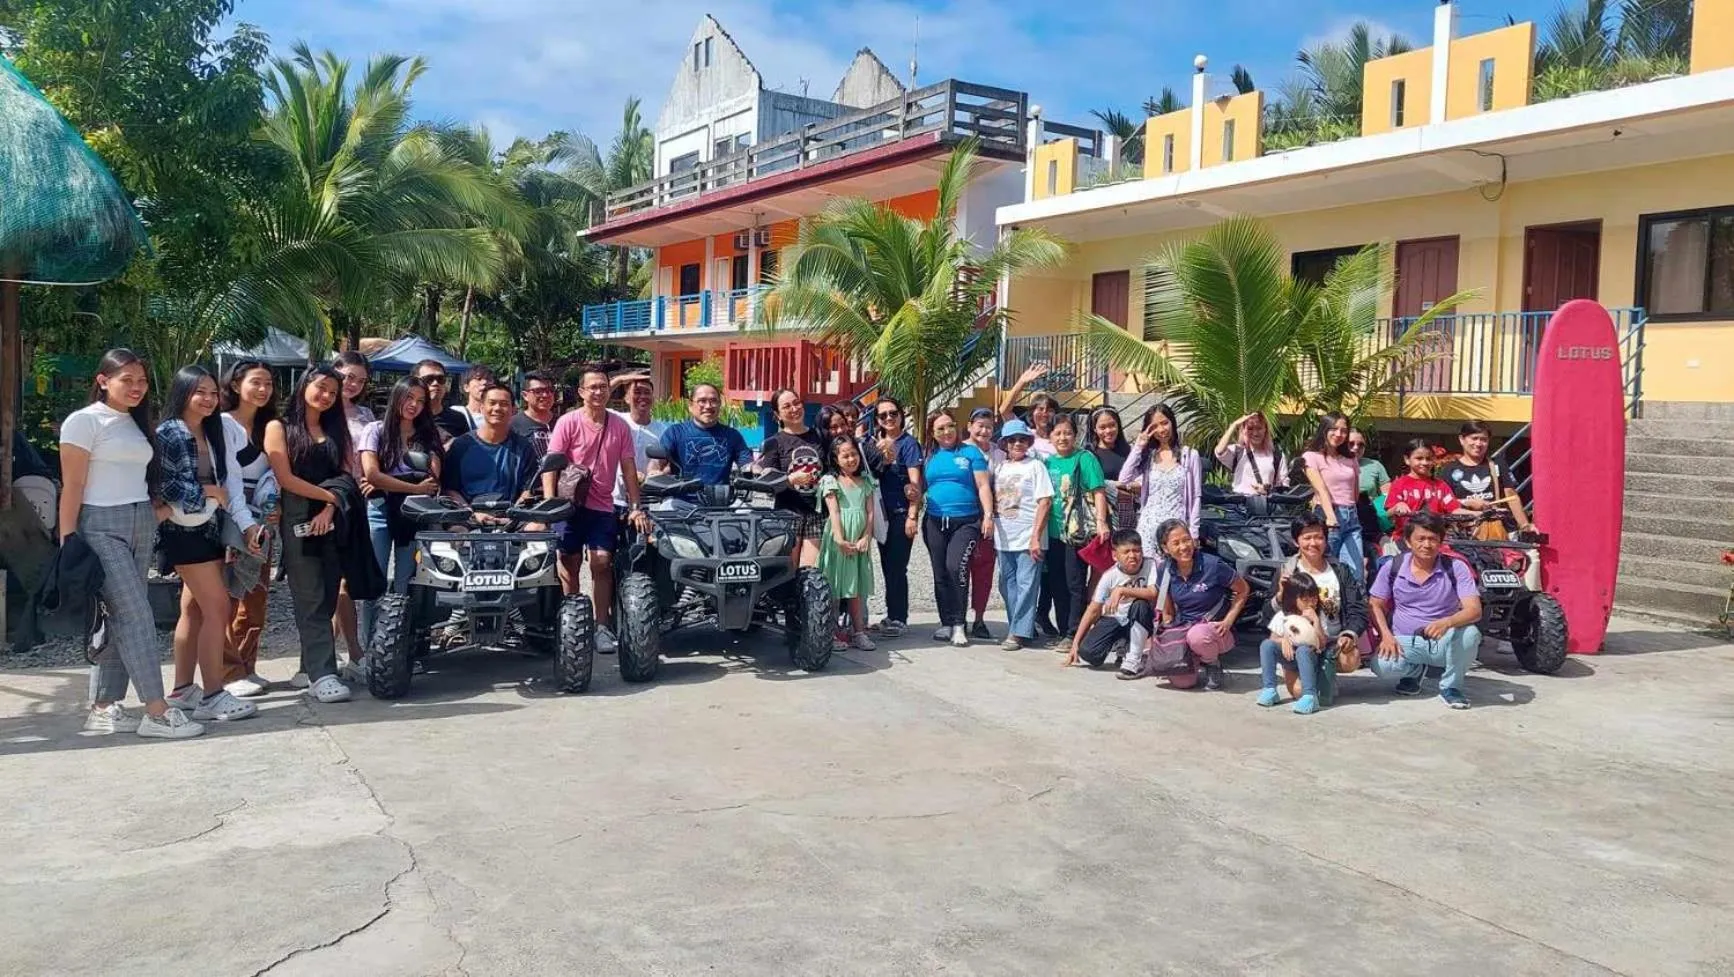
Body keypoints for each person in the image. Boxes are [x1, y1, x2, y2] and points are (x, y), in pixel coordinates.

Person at [61, 349, 205, 739]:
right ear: (103, 380)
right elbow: (72, 485)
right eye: (127, 379)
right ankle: (157, 713)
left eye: (141, 380)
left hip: (140, 520)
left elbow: (143, 479)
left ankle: (104, 706)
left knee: (122, 616)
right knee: (137, 613)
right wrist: (68, 539)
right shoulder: (83, 421)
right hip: (99, 523)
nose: (137, 387)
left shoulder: (137, 423)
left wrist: (154, 514)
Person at [156, 365, 261, 724]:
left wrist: (242, 523)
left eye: (213, 393)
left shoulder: (215, 430)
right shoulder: (170, 432)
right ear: (183, 392)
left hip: (210, 527)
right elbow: (166, 486)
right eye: (200, 391)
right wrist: (207, 492)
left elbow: (230, 483)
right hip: (182, 530)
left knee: (196, 608)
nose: (208, 399)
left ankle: (184, 689)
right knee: (218, 607)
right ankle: (213, 694)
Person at [265, 366, 359, 703]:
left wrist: (331, 507)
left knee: (329, 594)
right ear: (304, 385)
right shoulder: (280, 428)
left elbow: (344, 477)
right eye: (321, 387)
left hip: (332, 522)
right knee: (310, 597)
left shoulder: (335, 429)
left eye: (333, 392)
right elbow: (285, 479)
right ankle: (323, 675)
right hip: (297, 520)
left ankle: (308, 666)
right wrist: (329, 498)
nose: (326, 396)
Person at [544, 368, 648, 652]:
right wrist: (551, 505)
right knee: (569, 561)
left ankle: (601, 625)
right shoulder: (568, 421)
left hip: (603, 505)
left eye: (603, 386)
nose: (599, 392)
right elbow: (551, 464)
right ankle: (571, 624)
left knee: (602, 562)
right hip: (569, 505)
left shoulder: (619, 426)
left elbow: (628, 468)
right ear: (581, 392)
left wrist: (636, 506)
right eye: (593, 387)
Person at [1367, 511, 1484, 710]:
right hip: (1404, 641)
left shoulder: (1456, 567)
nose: (1427, 545)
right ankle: (1414, 672)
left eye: (1433, 539)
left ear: (1441, 541)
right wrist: (1385, 635)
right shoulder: (1393, 566)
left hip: (1443, 641)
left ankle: (1451, 687)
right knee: (1381, 666)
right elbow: (1374, 604)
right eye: (1420, 539)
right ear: (1408, 541)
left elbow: (1474, 610)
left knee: (1471, 634)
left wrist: (1447, 622)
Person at [1121, 519, 1249, 689]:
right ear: (1166, 548)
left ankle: (1213, 664)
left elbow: (1243, 589)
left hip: (1215, 631)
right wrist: (1167, 645)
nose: (1183, 547)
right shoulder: (1164, 570)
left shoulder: (1213, 565)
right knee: (1182, 682)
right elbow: (1167, 613)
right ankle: (1195, 662)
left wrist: (1228, 620)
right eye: (1176, 543)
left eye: (1186, 539)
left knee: (1197, 637)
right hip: (1184, 628)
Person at [358, 377, 444, 624]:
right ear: (397, 396)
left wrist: (391, 482)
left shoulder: (428, 435)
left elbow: (433, 479)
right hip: (380, 509)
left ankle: (401, 643)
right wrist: (412, 486)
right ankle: (370, 646)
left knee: (406, 581)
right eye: (409, 397)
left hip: (414, 514)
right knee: (375, 581)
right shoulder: (375, 430)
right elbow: (371, 474)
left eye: (420, 400)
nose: (413, 405)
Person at [220, 358, 281, 698]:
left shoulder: (270, 426)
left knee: (256, 594)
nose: (262, 389)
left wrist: (274, 507)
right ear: (235, 385)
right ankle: (227, 671)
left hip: (263, 519)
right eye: (256, 382)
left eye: (268, 384)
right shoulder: (222, 424)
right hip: (231, 517)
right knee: (228, 595)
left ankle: (247, 665)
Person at [1272, 512, 1369, 690]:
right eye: (1307, 538)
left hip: (1330, 641)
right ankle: (1296, 668)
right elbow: (1268, 615)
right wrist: (1280, 595)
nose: (1313, 543)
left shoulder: (1340, 570)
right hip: (1298, 643)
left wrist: (1349, 634)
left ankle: (1324, 669)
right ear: (1296, 541)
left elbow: (1358, 608)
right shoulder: (1287, 571)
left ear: (1326, 540)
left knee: (1351, 659)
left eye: (1319, 537)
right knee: (1300, 693)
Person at [922, 410, 993, 647]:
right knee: (940, 573)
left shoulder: (970, 452)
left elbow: (983, 485)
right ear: (932, 433)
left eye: (950, 426)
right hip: (934, 520)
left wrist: (988, 516)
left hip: (966, 521)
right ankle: (946, 622)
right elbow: (919, 485)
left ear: (957, 426)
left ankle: (959, 624)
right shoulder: (929, 455)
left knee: (956, 568)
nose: (946, 432)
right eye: (940, 428)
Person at [1044, 415, 1109, 641]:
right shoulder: (1047, 463)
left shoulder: (1085, 459)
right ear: (1050, 436)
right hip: (1053, 531)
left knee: (1075, 583)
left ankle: (1074, 632)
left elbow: (1098, 491)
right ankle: (1064, 629)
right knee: (1057, 583)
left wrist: (1101, 522)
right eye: (1058, 433)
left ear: (1076, 435)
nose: (1063, 437)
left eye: (1067, 433)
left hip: (1077, 533)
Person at [863, 396, 923, 638]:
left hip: (900, 514)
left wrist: (912, 516)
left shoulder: (909, 445)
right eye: (882, 415)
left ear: (901, 415)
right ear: (876, 420)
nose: (888, 418)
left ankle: (900, 617)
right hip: (879, 514)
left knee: (898, 567)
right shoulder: (872, 443)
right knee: (887, 566)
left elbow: (914, 484)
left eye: (893, 413)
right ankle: (891, 615)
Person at [331, 351, 375, 673]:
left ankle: (351, 652)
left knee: (347, 580)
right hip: (324, 499)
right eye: (348, 376)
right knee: (329, 582)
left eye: (359, 380)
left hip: (358, 503)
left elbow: (373, 457)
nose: (353, 384)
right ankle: (331, 655)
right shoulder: (317, 410)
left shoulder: (366, 414)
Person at [991, 420, 1053, 650]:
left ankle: (1018, 632)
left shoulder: (1035, 466)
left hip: (1029, 535)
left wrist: (1036, 535)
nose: (1017, 443)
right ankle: (1021, 627)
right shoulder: (1000, 468)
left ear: (1028, 442)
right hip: (1004, 537)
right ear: (1005, 443)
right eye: (1012, 440)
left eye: (1022, 439)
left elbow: (1045, 501)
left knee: (1027, 584)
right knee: (1007, 585)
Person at [1066, 529, 1157, 670]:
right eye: (1126, 552)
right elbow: (1093, 610)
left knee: (1140, 604)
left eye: (1137, 550)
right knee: (1088, 653)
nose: (1132, 556)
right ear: (1115, 555)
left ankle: (1135, 658)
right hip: (1115, 618)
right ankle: (1122, 643)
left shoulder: (1150, 565)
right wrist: (1075, 644)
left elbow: (1153, 593)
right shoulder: (1109, 576)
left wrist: (1122, 590)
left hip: (1142, 618)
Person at [818, 436, 877, 651]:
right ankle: (831, 632)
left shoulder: (866, 481)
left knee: (855, 588)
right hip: (838, 540)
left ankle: (858, 631)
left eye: (854, 454)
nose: (851, 459)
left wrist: (866, 537)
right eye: (845, 455)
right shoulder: (830, 481)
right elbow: (834, 511)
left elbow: (870, 512)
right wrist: (839, 539)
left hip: (859, 540)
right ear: (835, 458)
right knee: (833, 586)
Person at [1120, 402, 1202, 555]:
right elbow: (1124, 479)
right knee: (1149, 575)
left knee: (1173, 576)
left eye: (1165, 423)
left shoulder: (1189, 455)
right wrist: (1139, 446)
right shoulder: (1148, 456)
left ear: (1172, 422)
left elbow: (1196, 496)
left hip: (1175, 531)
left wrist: (1194, 532)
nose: (1162, 430)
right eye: (1155, 426)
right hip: (1148, 527)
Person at [757, 388, 825, 567]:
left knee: (811, 568)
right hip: (787, 512)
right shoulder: (774, 442)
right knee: (789, 568)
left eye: (796, 403)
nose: (794, 409)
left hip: (815, 512)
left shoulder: (819, 436)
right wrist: (790, 479)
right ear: (777, 414)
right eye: (787, 406)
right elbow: (767, 481)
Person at [446, 383, 540, 508]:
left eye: (504, 404)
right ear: (481, 408)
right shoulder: (461, 445)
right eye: (492, 403)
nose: (497, 408)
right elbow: (451, 489)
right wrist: (470, 514)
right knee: (456, 529)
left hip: (513, 516)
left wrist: (513, 515)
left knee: (537, 527)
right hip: (466, 517)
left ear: (513, 410)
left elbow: (528, 490)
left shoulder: (523, 447)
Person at [1440, 419, 1533, 539]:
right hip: (1464, 535)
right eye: (1474, 438)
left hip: (1499, 531)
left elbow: (1512, 497)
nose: (1478, 444)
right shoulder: (1449, 470)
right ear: (1462, 440)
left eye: (1483, 439)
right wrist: (1467, 503)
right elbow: (1444, 503)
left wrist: (1525, 526)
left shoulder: (1497, 465)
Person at [1302, 411, 1365, 583]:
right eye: (1334, 429)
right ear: (1324, 429)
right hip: (1329, 517)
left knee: (1355, 575)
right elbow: (1321, 489)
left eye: (1344, 430)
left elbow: (1355, 492)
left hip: (1351, 517)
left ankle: (1352, 609)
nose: (1339, 434)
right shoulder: (1311, 457)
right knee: (1325, 573)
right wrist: (1330, 517)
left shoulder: (1350, 458)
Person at [655, 383, 753, 487]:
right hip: (680, 499)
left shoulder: (732, 435)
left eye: (713, 401)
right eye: (702, 401)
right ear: (690, 406)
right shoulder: (675, 432)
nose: (708, 406)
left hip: (720, 500)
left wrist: (759, 470)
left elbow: (746, 464)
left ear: (720, 405)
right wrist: (654, 470)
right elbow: (658, 460)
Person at [963, 406, 1005, 640]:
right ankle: (957, 617)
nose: (984, 431)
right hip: (965, 515)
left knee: (984, 569)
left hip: (990, 517)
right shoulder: (961, 450)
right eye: (980, 425)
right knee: (959, 567)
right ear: (970, 426)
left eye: (989, 427)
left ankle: (979, 618)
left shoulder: (999, 453)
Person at [1258, 575, 1328, 714]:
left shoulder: (1318, 615)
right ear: (1293, 599)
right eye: (1305, 599)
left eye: (1313, 598)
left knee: (1303, 649)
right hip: (1289, 657)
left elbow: (1322, 644)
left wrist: (1316, 622)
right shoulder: (1283, 616)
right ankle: (1270, 689)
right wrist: (1284, 639)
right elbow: (1273, 638)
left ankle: (1310, 695)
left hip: (1310, 657)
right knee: (1266, 645)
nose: (1310, 603)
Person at [1383, 438, 1461, 541]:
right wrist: (1398, 506)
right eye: (1419, 458)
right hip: (1405, 539)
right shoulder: (1399, 484)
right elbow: (1388, 514)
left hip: (1436, 541)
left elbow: (1454, 509)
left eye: (1428, 459)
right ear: (1407, 459)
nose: (1424, 462)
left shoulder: (1441, 485)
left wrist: (1479, 514)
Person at [610, 375, 666, 510]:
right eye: (637, 392)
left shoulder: (662, 430)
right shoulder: (615, 420)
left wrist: (659, 472)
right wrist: (620, 380)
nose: (642, 396)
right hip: (614, 498)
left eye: (647, 393)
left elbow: (666, 462)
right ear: (626, 398)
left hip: (648, 501)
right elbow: (595, 401)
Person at [1213, 411, 1288, 496]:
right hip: (1240, 506)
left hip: (1266, 505)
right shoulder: (1238, 451)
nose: (1255, 433)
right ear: (1244, 430)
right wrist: (1234, 425)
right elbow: (1219, 451)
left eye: (1259, 428)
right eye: (1250, 428)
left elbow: (1283, 486)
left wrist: (1267, 491)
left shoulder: (1277, 455)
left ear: (1265, 430)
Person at [997, 362, 1058, 458]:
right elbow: (1004, 411)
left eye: (1049, 410)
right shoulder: (1024, 434)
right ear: (1032, 413)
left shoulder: (1059, 439)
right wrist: (1022, 382)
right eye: (1040, 409)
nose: (1044, 413)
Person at [511, 369, 558, 465]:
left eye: (549, 390)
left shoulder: (563, 423)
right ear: (525, 395)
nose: (545, 395)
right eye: (538, 391)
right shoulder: (513, 425)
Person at [417, 359, 469, 442]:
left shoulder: (458, 418)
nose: (435, 383)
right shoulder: (408, 417)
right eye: (428, 379)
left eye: (440, 379)